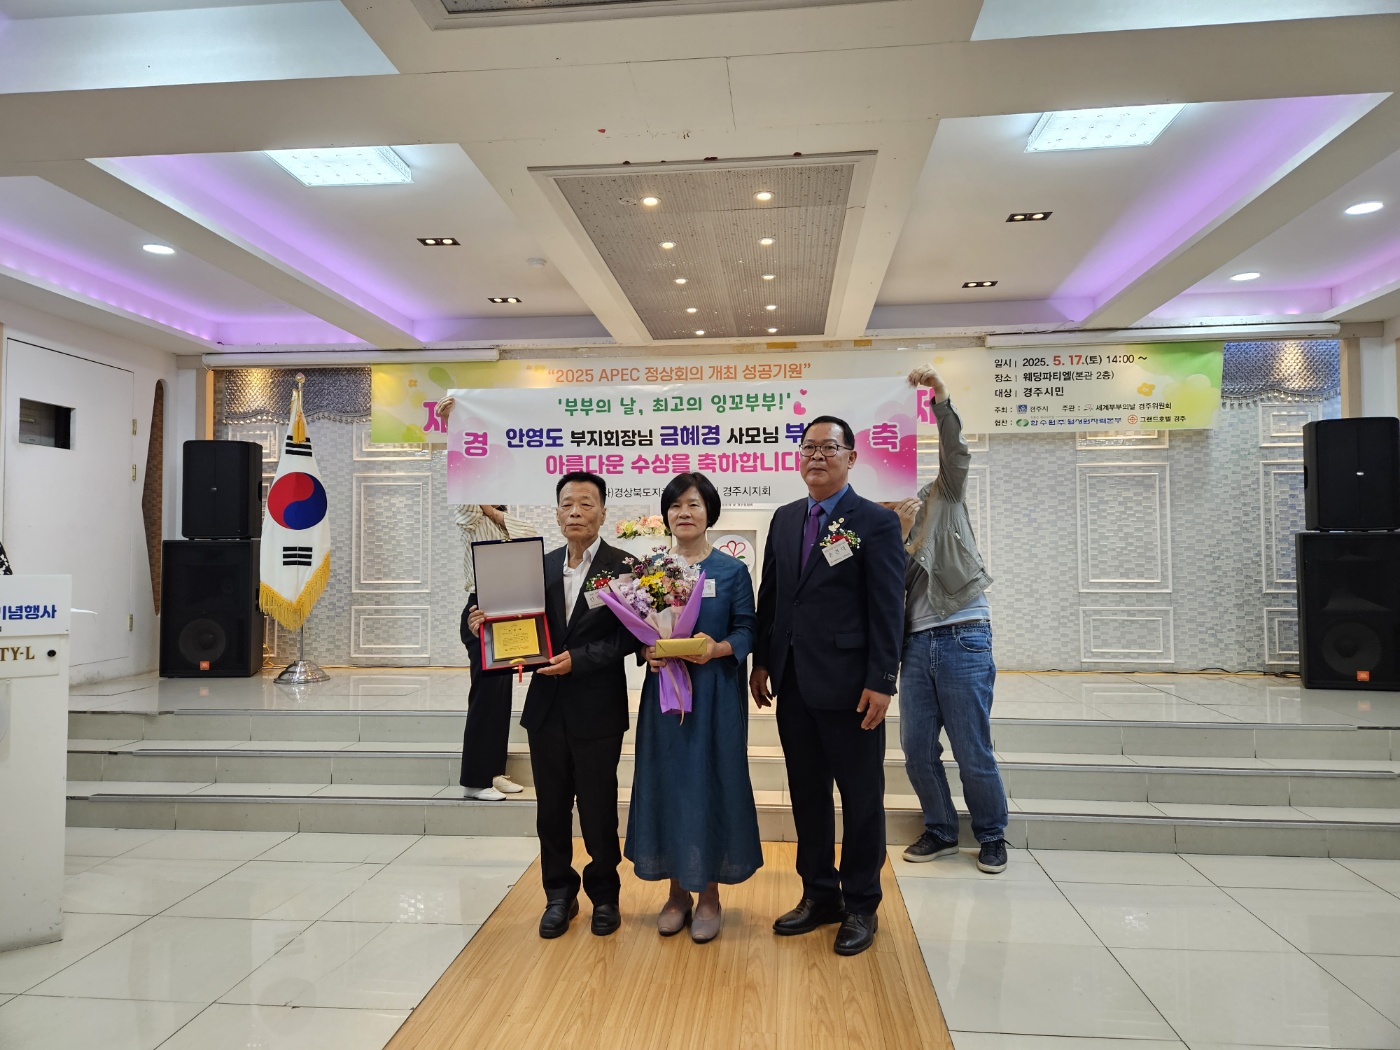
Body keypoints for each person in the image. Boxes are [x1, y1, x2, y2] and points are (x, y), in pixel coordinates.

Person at [749, 415, 906, 957]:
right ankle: (819, 894)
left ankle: (861, 903)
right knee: (807, 793)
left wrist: (882, 680)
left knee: (861, 799)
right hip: (793, 682)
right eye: (808, 447)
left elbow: (888, 606)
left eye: (828, 448)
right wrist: (762, 661)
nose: (816, 456)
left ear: (852, 458)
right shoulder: (786, 518)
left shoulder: (876, 522)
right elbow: (773, 596)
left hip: (852, 687)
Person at [470, 470, 638, 939]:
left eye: (586, 503)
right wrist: (481, 623)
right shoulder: (536, 566)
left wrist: (580, 660)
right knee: (551, 811)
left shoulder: (624, 567)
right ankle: (559, 895)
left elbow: (630, 636)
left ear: (602, 512)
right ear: (557, 513)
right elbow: (508, 622)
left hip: (598, 708)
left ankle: (605, 895)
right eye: (567, 504)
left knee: (599, 810)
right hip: (546, 708)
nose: (576, 512)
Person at [627, 473, 763, 944]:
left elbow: (747, 629)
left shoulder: (731, 571)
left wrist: (717, 648)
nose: (684, 513)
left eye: (694, 504)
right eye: (675, 505)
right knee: (668, 782)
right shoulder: (651, 569)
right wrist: (646, 649)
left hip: (714, 695)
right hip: (665, 694)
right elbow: (638, 628)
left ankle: (708, 895)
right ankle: (676, 893)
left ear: (710, 513)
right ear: (666, 515)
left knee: (710, 782)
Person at [887, 365, 1008, 874]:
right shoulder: (883, 523)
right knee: (916, 750)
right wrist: (897, 532)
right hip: (916, 644)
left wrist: (939, 397)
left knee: (971, 748)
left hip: (964, 632)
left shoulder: (944, 492)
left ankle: (992, 835)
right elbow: (888, 588)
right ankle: (940, 829)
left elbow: (955, 451)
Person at [437, 396, 538, 802]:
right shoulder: (470, 516)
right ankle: (475, 780)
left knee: (500, 696)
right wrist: (455, 428)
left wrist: (495, 510)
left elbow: (529, 534)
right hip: (480, 611)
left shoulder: (503, 520)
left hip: (508, 609)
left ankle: (494, 772)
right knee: (485, 697)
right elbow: (463, 484)